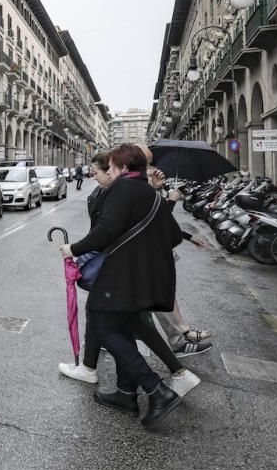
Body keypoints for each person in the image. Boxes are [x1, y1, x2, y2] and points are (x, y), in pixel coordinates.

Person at [60, 144, 184, 427]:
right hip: (148, 277)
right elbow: (173, 236)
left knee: (102, 325)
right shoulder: (150, 193)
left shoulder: (121, 189)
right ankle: (126, 394)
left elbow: (106, 231)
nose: (110, 171)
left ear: (123, 168)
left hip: (124, 276)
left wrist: (74, 249)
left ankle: (157, 391)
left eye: (113, 166)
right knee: (124, 328)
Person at [139, 145, 213, 356]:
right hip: (145, 251)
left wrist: (189, 237)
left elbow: (164, 222)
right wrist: (170, 200)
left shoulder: (148, 185)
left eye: (153, 164)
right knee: (157, 295)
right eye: (149, 164)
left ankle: (180, 336)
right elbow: (155, 221)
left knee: (159, 294)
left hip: (154, 249)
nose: (154, 169)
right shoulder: (133, 186)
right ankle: (179, 338)